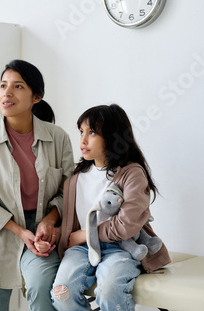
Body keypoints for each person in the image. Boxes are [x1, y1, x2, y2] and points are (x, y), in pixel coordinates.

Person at [0, 59, 74, 311]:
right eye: (3, 86)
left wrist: (49, 221)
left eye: (18, 86)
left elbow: (69, 191)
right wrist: (20, 231)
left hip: (43, 233)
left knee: (43, 290)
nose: (7, 93)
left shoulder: (58, 138)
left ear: (37, 97)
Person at [51, 104, 171, 311]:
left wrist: (85, 234)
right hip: (81, 250)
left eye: (93, 132)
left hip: (121, 247)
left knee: (109, 291)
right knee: (62, 293)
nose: (83, 139)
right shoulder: (74, 179)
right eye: (81, 131)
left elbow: (125, 226)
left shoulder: (132, 173)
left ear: (113, 136)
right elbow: (71, 225)